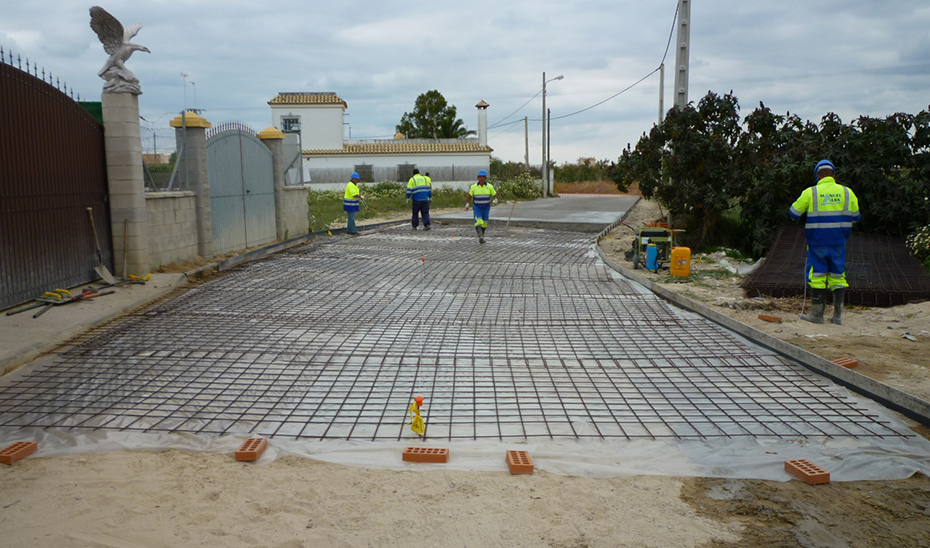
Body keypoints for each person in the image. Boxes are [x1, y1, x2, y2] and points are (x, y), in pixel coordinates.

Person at [789, 159, 860, 324]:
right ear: (834, 175)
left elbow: (793, 213)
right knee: (838, 276)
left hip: (817, 242)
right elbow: (856, 216)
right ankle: (837, 317)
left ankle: (817, 315)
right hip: (839, 242)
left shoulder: (810, 192)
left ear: (817, 176)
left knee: (818, 275)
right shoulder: (848, 192)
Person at [465, 169, 497, 244]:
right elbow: (469, 196)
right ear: (478, 178)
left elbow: (495, 194)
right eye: (480, 177)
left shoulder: (489, 187)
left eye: (483, 177)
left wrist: (495, 199)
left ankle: (482, 235)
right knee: (478, 221)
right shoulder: (473, 187)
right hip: (477, 207)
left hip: (486, 207)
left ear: (485, 178)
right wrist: (467, 204)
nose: (481, 178)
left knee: (485, 222)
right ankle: (480, 236)